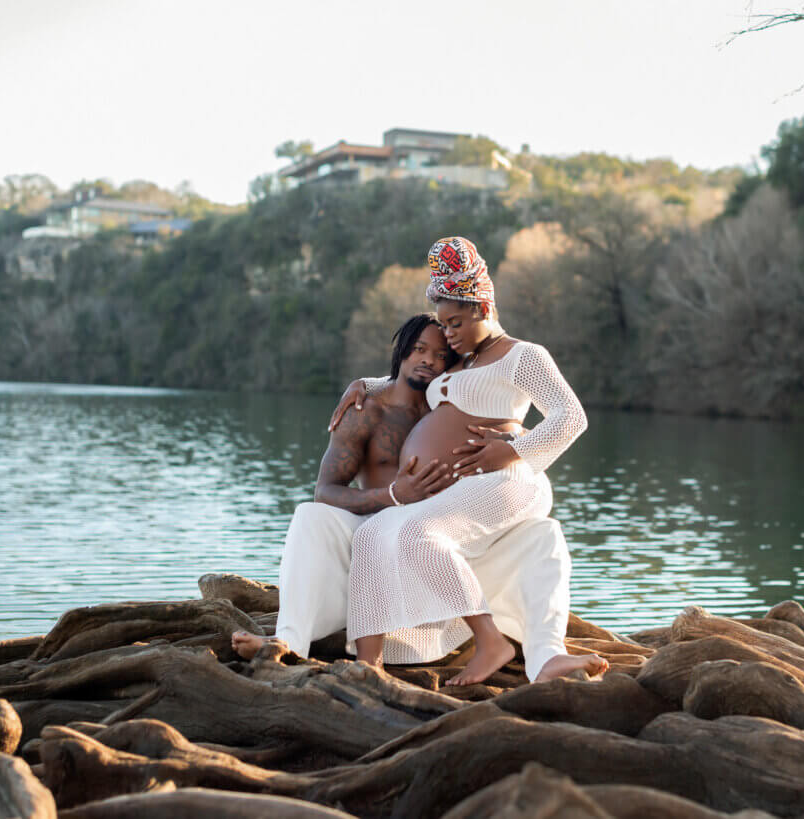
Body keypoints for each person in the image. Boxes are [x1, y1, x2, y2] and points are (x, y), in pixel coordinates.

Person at [233, 311, 604, 683]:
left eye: (441, 355)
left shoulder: (446, 398)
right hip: (378, 523)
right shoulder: (366, 410)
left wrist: (515, 441)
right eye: (419, 350)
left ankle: (544, 654)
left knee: (544, 533)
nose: (429, 359)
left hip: (443, 533)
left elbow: (494, 391)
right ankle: (289, 642)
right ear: (402, 353)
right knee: (309, 515)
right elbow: (324, 492)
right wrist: (395, 493)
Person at [346, 236, 605, 686]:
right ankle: (369, 666)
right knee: (369, 536)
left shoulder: (523, 357)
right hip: (456, 488)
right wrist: (365, 385)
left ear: (483, 308)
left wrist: (513, 448)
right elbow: (409, 377)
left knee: (418, 537)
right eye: (443, 325)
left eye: (456, 322)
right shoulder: (459, 363)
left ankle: (491, 641)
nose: (448, 334)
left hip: (504, 480)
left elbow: (572, 417)